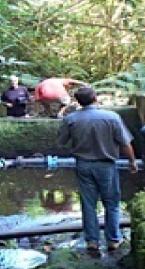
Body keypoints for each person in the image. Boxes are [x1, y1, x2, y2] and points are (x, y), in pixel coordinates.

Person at [56, 86, 138, 252]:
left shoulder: (71, 119)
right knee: (112, 203)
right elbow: (125, 143)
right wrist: (132, 161)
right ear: (95, 98)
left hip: (83, 164)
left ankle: (92, 241)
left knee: (88, 204)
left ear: (78, 101)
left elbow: (61, 142)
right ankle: (113, 240)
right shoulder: (112, 117)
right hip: (106, 165)